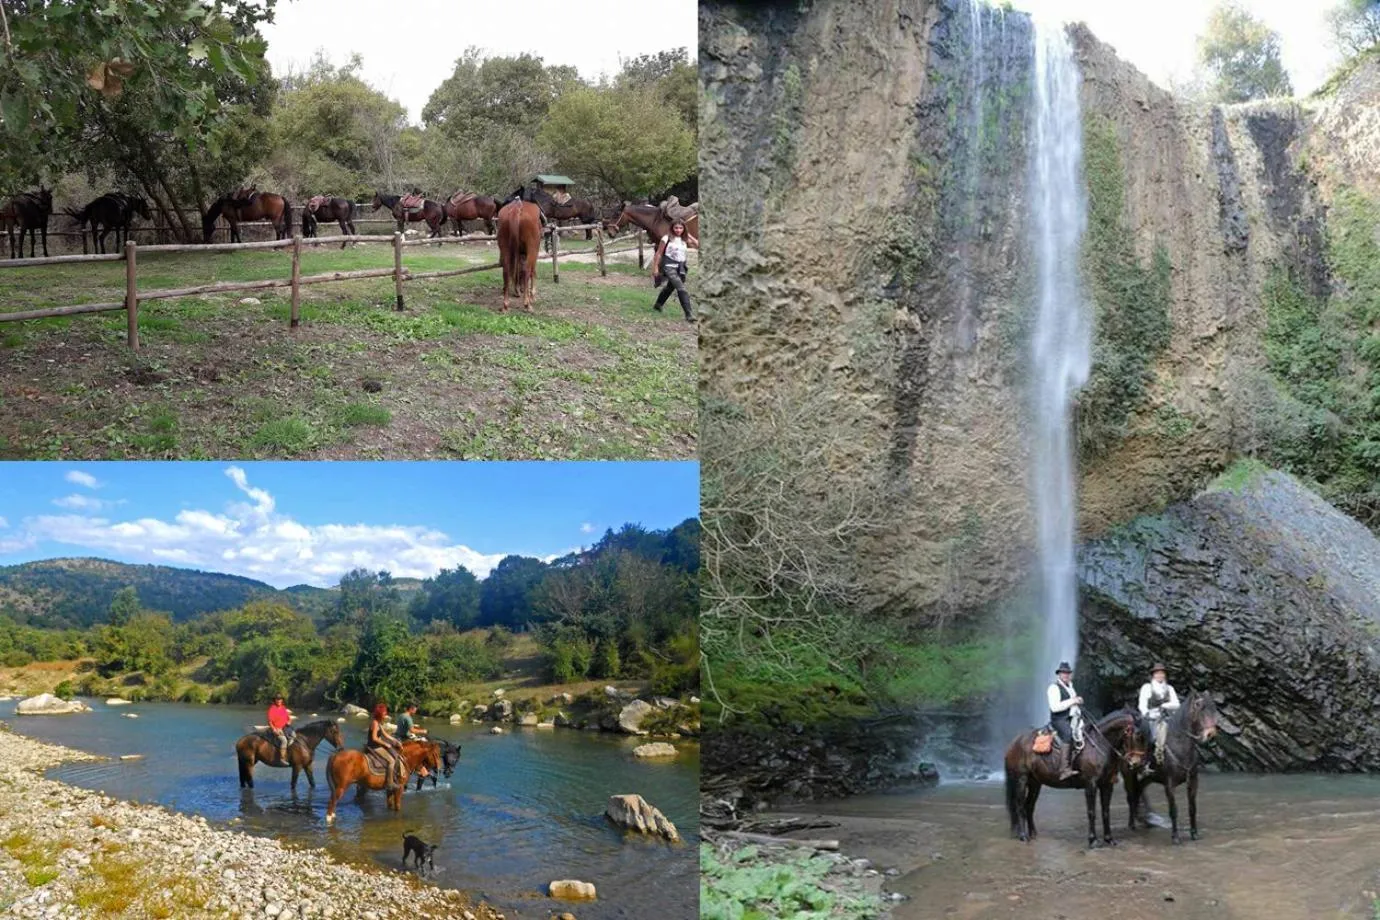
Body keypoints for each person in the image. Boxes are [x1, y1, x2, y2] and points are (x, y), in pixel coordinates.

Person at [651, 220, 698, 323]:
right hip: (669, 266)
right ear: (672, 228)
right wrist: (655, 268)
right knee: (681, 288)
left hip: (681, 267)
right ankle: (689, 314)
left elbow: (697, 245)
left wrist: (689, 235)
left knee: (670, 287)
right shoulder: (666, 238)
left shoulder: (684, 239)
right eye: (676, 228)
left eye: (681, 228)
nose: (678, 230)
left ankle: (658, 305)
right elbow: (658, 254)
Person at [1138, 663, 1181, 774]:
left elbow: (1176, 704)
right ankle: (1147, 762)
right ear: (1153, 675)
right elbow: (1142, 704)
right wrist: (1146, 714)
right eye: (1157, 673)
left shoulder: (1169, 688)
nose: (1160, 675)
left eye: (1162, 673)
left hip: (1167, 716)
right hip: (1151, 717)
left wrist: (1165, 706)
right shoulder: (1147, 687)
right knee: (1151, 738)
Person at [1046, 661, 1083, 780]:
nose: (1066, 675)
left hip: (1072, 718)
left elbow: (1073, 705)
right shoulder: (1053, 687)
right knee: (1068, 734)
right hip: (1059, 719)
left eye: (1068, 673)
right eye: (1063, 673)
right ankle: (1064, 769)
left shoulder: (1070, 687)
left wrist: (1078, 702)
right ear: (1059, 674)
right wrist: (1073, 701)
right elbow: (1055, 707)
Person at [367, 702, 405, 792]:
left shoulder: (379, 723)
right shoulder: (375, 723)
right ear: (379, 713)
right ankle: (389, 783)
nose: (385, 714)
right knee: (391, 761)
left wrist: (396, 741)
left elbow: (386, 735)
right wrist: (385, 744)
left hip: (377, 745)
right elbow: (374, 738)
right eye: (384, 713)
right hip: (374, 747)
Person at [397, 703, 430, 781]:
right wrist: (424, 731)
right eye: (415, 709)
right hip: (405, 739)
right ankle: (421, 766)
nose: (416, 711)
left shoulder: (402, 715)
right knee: (425, 745)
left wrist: (414, 726)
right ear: (411, 709)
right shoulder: (408, 718)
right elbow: (412, 730)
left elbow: (407, 726)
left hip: (398, 737)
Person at [267, 694, 293, 764]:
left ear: (282, 700)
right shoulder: (272, 709)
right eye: (277, 699)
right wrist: (274, 729)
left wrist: (289, 721)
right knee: (284, 740)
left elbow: (288, 719)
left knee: (294, 736)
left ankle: (289, 754)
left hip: (285, 728)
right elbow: (269, 722)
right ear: (275, 700)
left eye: (280, 699)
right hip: (276, 728)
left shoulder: (283, 708)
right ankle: (282, 758)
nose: (279, 700)